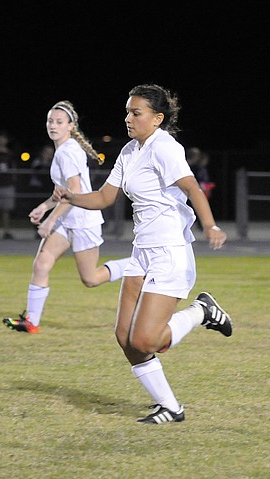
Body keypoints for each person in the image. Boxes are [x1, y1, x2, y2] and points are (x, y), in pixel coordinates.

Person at [53, 84, 233, 425]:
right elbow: (105, 198)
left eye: (136, 113)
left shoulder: (165, 148)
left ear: (157, 118)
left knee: (146, 338)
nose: (128, 118)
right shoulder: (130, 151)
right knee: (126, 338)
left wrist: (210, 226)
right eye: (127, 112)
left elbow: (192, 187)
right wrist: (69, 198)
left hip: (170, 253)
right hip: (142, 253)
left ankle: (201, 310)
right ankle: (171, 407)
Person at [1, 100, 132, 335]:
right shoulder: (63, 150)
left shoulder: (67, 152)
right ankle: (31, 322)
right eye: (50, 120)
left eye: (59, 122)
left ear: (71, 126)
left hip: (83, 220)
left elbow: (75, 192)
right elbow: (62, 192)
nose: (53, 125)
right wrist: (44, 207)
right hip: (67, 218)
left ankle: (137, 264)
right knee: (42, 263)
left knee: (90, 279)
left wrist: (50, 220)